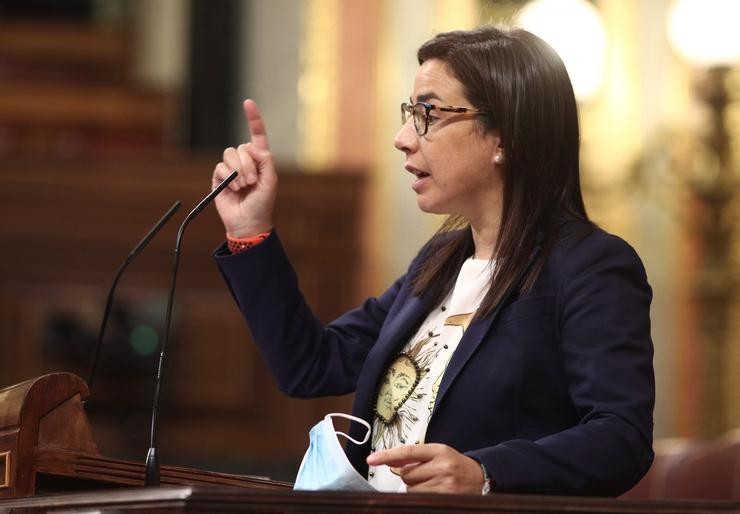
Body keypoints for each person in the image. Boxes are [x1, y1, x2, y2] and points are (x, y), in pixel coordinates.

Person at [211, 25, 654, 496]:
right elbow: (311, 364)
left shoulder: (590, 266)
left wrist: (484, 473)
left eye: (427, 114)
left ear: (504, 134)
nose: (403, 138)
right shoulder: (438, 262)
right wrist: (249, 231)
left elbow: (620, 436)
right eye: (410, 114)